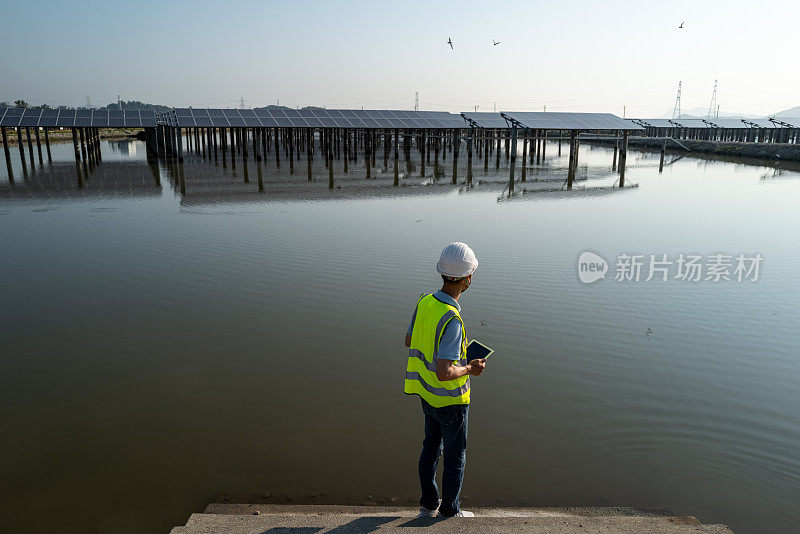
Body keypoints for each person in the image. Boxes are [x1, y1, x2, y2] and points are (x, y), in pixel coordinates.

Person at [403, 242, 487, 518]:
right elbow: (445, 371)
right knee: (455, 457)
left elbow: (409, 340)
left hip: (427, 396)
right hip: (451, 401)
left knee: (430, 449)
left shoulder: (425, 300)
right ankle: (450, 511)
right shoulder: (452, 319)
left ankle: (428, 505)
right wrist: (470, 368)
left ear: (442, 273)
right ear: (468, 278)